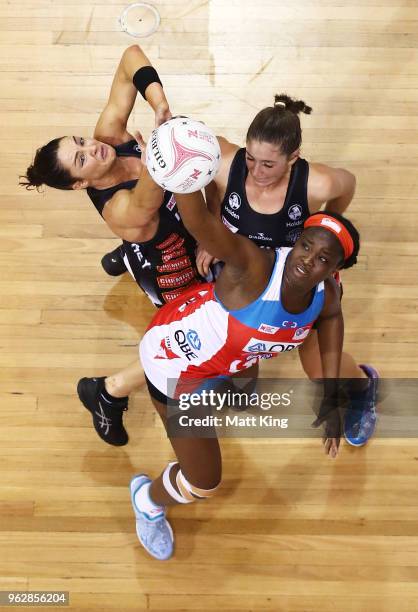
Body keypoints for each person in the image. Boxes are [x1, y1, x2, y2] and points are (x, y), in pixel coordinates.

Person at [81, 190, 360, 560]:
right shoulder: (255, 265)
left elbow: (331, 317)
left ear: (335, 269)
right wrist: (182, 176)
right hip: (175, 369)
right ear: (296, 241)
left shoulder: (326, 291)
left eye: (323, 258)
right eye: (305, 246)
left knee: (244, 394)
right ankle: (147, 499)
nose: (307, 261)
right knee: (205, 481)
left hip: (226, 352)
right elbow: (200, 223)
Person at [19, 45, 213, 446]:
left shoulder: (107, 137)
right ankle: (107, 392)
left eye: (81, 140)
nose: (92, 147)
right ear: (80, 184)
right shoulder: (121, 211)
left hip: (167, 224)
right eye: (82, 158)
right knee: (194, 339)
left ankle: (125, 255)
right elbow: (169, 171)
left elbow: (130, 58)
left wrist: (160, 105)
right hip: (170, 260)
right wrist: (160, 141)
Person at [195, 94, 378, 447]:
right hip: (247, 278)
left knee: (320, 370)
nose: (255, 172)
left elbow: (348, 183)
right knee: (232, 344)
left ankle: (362, 386)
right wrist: (213, 228)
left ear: (293, 158)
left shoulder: (316, 184)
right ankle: (236, 378)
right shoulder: (222, 161)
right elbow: (205, 181)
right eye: (250, 158)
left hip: (298, 281)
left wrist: (327, 225)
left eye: (268, 164)